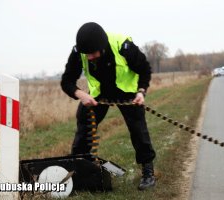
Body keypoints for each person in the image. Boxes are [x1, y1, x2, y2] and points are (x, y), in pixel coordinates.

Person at [61, 22, 156, 190]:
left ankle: (148, 172)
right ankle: (79, 169)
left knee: (138, 129)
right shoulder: (79, 51)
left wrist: (141, 92)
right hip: (99, 95)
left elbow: (145, 69)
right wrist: (81, 94)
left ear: (101, 47)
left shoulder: (123, 46)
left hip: (127, 93)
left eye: (92, 54)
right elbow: (67, 81)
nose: (88, 57)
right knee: (84, 126)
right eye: (86, 54)